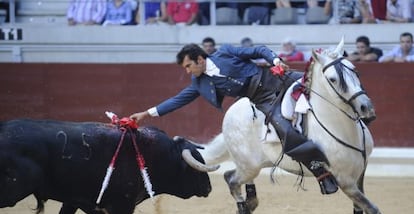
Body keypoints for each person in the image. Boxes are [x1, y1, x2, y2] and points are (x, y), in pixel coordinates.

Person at [129, 43, 339, 195]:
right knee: (285, 131)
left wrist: (275, 60)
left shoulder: (226, 52)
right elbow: (177, 100)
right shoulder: (199, 83)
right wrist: (147, 113)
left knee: (326, 86)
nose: (187, 71)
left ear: (200, 60)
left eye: (188, 66)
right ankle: (320, 173)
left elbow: (258, 50)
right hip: (263, 99)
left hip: (276, 79)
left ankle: (357, 118)